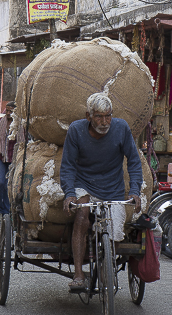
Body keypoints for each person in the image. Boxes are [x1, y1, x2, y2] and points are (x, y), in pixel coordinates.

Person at [61, 93, 142, 291]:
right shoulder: (76, 130)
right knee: (81, 215)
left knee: (115, 231)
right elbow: (68, 165)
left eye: (108, 116)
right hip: (84, 184)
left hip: (113, 188)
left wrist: (135, 190)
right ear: (88, 116)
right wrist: (69, 193)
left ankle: (108, 265)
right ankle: (79, 274)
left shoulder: (121, 128)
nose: (104, 122)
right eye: (99, 117)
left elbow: (133, 161)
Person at [0, 102, 22, 222]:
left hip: (13, 159)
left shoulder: (19, 124)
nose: (8, 113)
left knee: (9, 185)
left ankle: (7, 211)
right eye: (7, 110)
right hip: (0, 156)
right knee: (0, 183)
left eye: (11, 111)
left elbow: (23, 142)